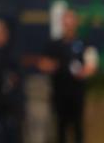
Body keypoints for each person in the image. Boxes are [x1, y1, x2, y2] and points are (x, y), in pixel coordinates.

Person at [38, 8, 97, 143]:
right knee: (60, 127)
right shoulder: (54, 44)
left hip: (77, 92)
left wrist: (83, 72)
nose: (69, 26)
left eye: (71, 22)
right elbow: (42, 63)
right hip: (59, 92)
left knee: (77, 126)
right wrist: (51, 66)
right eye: (66, 23)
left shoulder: (85, 44)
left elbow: (91, 64)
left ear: (76, 24)